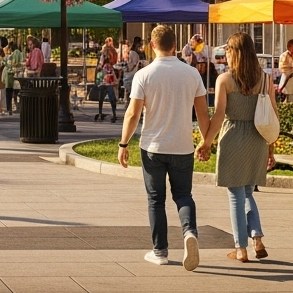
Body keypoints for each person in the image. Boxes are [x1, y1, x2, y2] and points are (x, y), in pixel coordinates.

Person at [116, 25, 210, 271]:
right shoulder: (191, 74)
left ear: (151, 44)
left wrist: (123, 143)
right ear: (175, 44)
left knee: (156, 199)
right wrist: (206, 141)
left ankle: (160, 251)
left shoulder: (144, 75)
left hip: (153, 147)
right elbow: (202, 113)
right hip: (182, 146)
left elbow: (133, 113)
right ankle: (189, 233)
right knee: (183, 195)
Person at [198, 33, 274, 263]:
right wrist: (271, 147)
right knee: (247, 192)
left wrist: (206, 142)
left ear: (234, 52)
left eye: (228, 50)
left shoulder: (225, 80)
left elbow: (220, 115)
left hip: (233, 138)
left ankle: (240, 248)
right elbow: (273, 115)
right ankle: (257, 238)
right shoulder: (266, 79)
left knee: (235, 196)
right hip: (258, 139)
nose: (226, 54)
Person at [3, 40, 22, 115]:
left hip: (9, 76)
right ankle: (18, 107)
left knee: (9, 93)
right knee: (17, 93)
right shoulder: (20, 54)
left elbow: (5, 63)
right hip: (17, 76)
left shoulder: (10, 56)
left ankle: (9, 109)